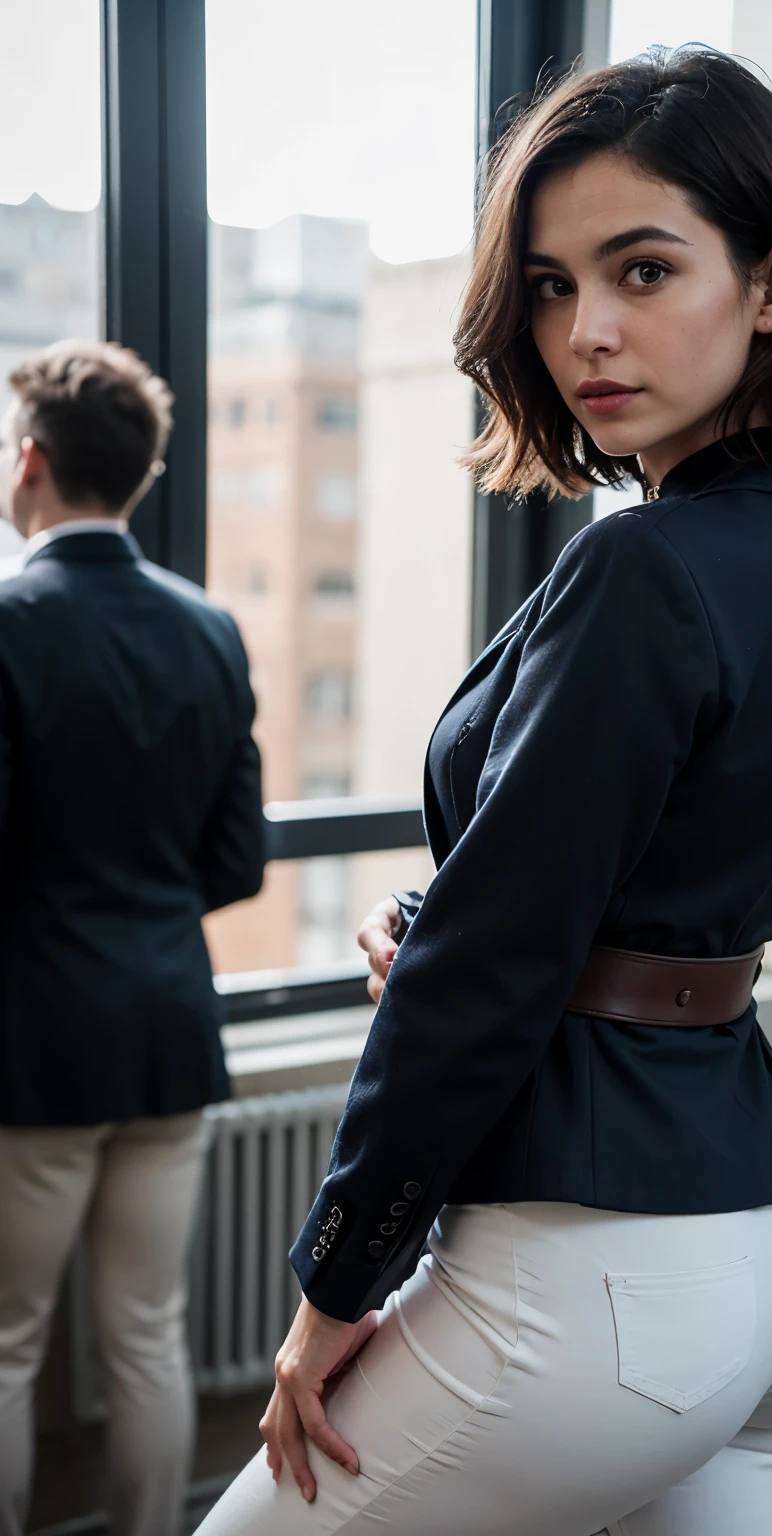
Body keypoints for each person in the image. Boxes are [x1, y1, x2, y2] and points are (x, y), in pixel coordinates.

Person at [199, 45, 772, 1536]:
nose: (589, 331)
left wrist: (335, 1285)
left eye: (644, 271)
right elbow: (642, 877)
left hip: (602, 1274)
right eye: (553, 284)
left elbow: (495, 963)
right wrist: (449, 909)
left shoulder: (642, 564)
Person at [0, 340, 266, 1536]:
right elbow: (237, 859)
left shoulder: (9, 622)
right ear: (142, 475)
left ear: (32, 463)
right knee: (148, 1333)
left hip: (40, 1039)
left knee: (6, 1347)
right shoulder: (209, 628)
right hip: (169, 1024)